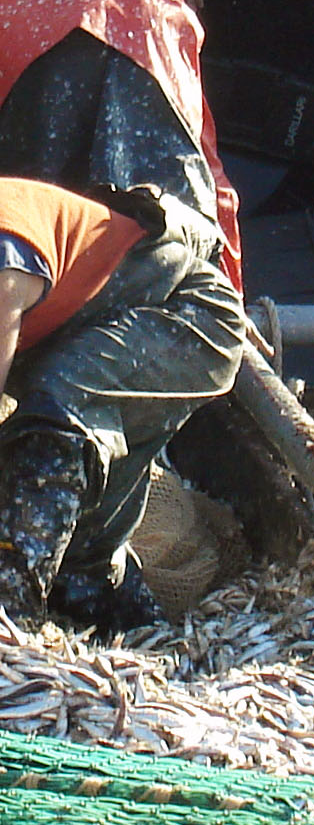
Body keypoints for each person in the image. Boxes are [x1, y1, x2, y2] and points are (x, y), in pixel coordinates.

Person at [0, 175, 244, 629]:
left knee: (54, 418)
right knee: (83, 564)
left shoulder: (5, 258)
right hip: (94, 334)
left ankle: (10, 614)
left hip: (189, 314)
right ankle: (132, 625)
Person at [0, 0, 242, 291]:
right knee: (179, 264)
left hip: (27, 16)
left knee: (23, 239)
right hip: (140, 8)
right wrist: (231, 290)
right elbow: (205, 168)